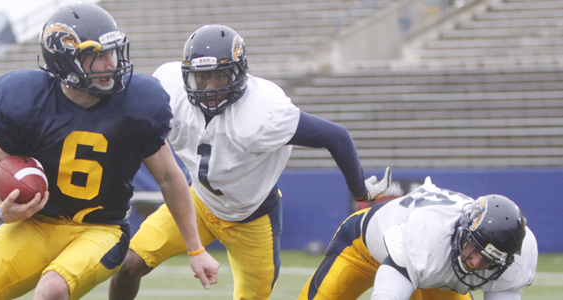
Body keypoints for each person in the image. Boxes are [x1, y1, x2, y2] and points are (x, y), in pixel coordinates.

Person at [0, 3, 218, 300]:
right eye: (98, 55)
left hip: (101, 229)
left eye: (113, 52)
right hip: (36, 225)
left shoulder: (137, 103)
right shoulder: (27, 100)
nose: (112, 63)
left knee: (52, 289)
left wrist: (196, 249)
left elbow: (170, 178)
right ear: (65, 60)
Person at [109, 24, 391, 300]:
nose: (209, 88)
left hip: (253, 219)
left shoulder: (264, 111)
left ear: (239, 73)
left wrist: (359, 191)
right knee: (129, 264)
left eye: (219, 77)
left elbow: (336, 136)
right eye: (201, 78)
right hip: (197, 203)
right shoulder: (170, 89)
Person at [298, 177, 538, 300]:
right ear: (463, 231)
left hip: (433, 269)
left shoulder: (517, 254)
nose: (474, 263)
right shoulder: (427, 235)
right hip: (363, 249)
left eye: (488, 261)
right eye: (473, 250)